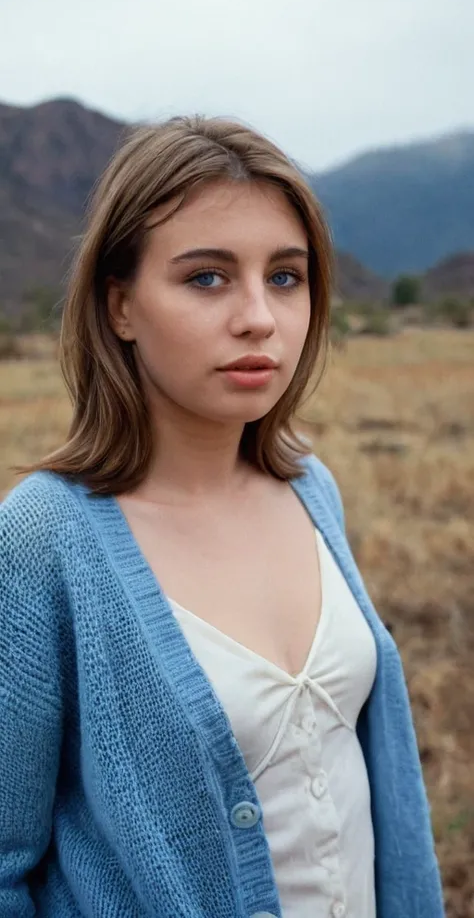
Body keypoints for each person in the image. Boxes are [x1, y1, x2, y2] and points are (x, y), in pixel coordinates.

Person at [0, 114, 444, 918]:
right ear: (120, 306)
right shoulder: (43, 541)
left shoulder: (311, 486)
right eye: (206, 277)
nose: (258, 319)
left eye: (285, 277)